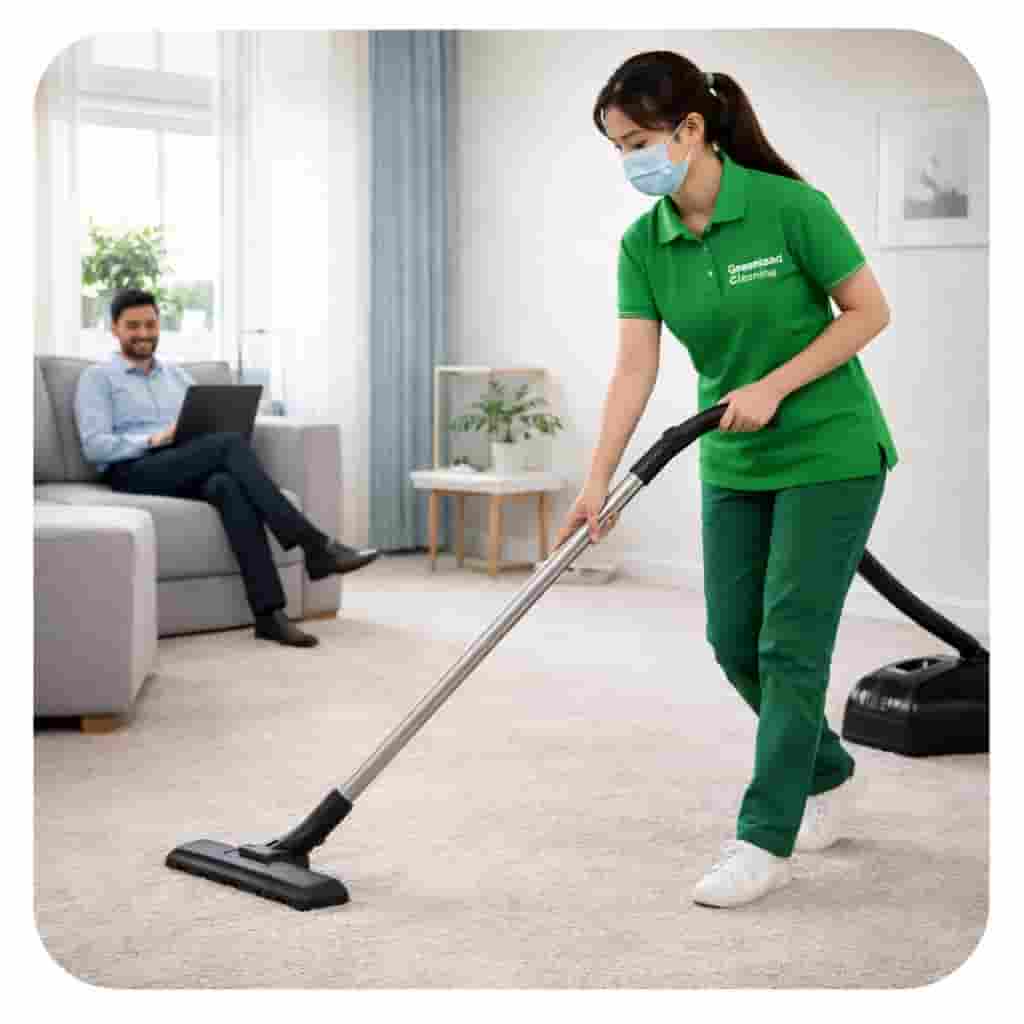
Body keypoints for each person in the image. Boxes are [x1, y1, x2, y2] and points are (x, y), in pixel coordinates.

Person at [555, 52, 898, 908]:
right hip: (733, 458)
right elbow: (633, 370)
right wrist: (595, 481)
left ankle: (763, 837)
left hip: (830, 451)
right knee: (731, 639)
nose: (629, 159)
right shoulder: (646, 244)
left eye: (636, 140)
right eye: (616, 146)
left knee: (789, 643)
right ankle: (830, 770)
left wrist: (777, 385)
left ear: (692, 129)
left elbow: (869, 311)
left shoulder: (789, 208)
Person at [74, 288, 379, 649]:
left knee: (227, 486)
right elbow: (95, 446)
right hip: (132, 469)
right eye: (133, 326)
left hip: (183, 462)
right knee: (228, 445)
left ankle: (269, 615)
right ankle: (315, 546)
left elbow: (203, 423)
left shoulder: (177, 377)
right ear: (114, 329)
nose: (143, 333)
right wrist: (155, 440)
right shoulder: (98, 377)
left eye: (150, 324)